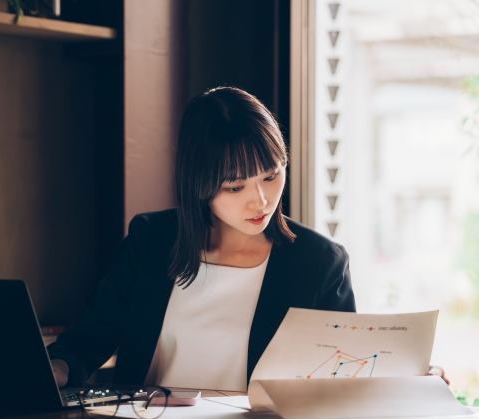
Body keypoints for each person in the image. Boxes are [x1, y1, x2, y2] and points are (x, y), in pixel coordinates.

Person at [47, 86, 448, 391]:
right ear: (199, 185)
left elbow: (342, 373)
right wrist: (55, 369)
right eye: (235, 187)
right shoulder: (151, 240)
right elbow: (87, 341)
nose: (261, 201)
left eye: (271, 176)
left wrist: (408, 380)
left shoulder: (319, 263)